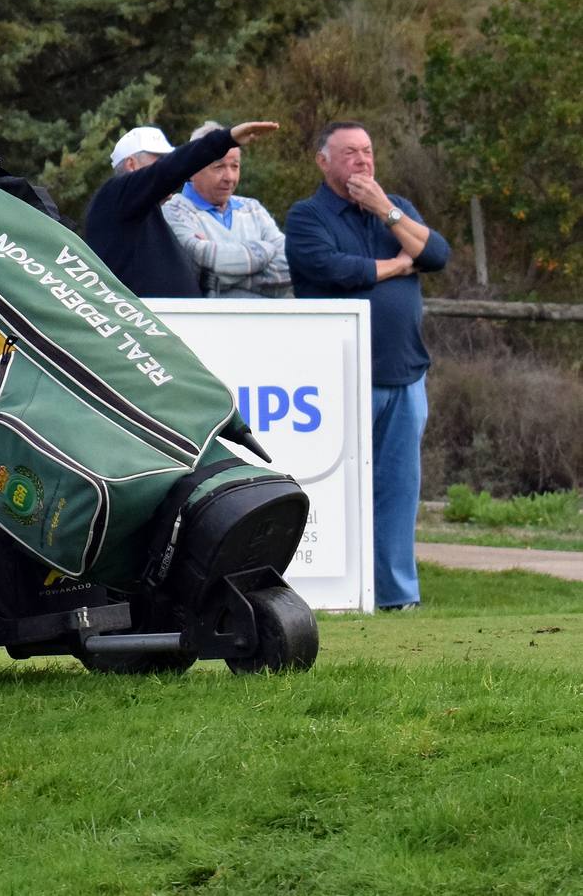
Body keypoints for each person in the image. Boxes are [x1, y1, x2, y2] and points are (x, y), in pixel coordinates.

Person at [286, 121, 450, 611]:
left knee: (399, 490)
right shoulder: (307, 215)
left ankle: (399, 596)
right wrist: (402, 263)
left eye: (368, 151)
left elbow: (437, 254)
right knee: (341, 490)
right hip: (340, 378)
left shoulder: (393, 208)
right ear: (324, 161)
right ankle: (336, 592)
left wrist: (386, 209)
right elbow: (338, 271)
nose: (363, 160)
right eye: (350, 153)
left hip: (405, 373)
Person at [83, 120, 279, 297]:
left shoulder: (148, 213)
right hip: (144, 330)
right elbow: (170, 170)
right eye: (159, 159)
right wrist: (226, 139)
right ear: (132, 165)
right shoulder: (115, 195)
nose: (170, 167)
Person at [160, 120, 292, 298]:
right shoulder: (173, 212)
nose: (229, 177)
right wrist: (266, 250)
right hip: (207, 323)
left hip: (265, 323)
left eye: (235, 166)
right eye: (219, 166)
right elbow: (194, 268)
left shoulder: (253, 208)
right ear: (192, 168)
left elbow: (289, 266)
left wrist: (218, 278)